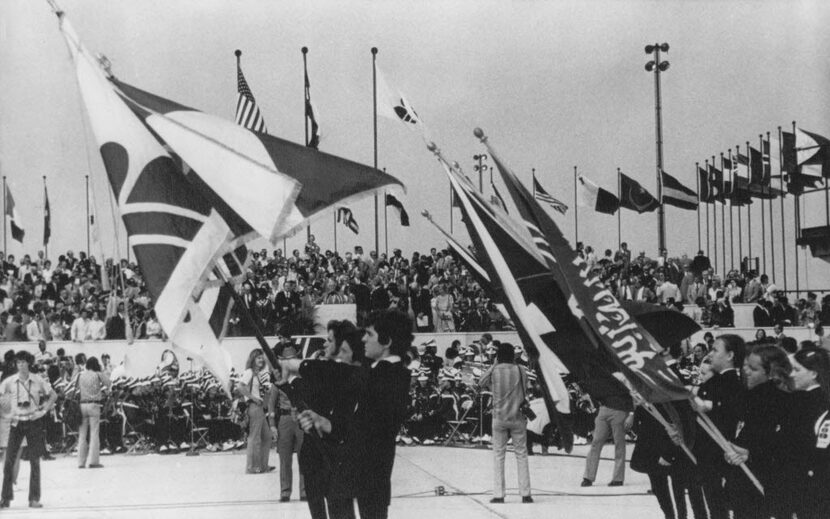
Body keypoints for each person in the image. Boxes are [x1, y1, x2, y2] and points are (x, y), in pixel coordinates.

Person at [299, 309, 411, 519]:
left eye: (369, 334)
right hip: (360, 476)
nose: (364, 339)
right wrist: (323, 422)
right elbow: (357, 424)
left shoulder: (389, 375)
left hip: (367, 477)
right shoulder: (380, 373)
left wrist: (301, 367)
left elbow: (346, 376)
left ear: (386, 341)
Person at [725, 344, 790, 519]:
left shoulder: (769, 399)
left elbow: (775, 440)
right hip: (747, 475)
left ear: (771, 372)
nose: (746, 371)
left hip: (763, 478)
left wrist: (749, 453)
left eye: (753, 368)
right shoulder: (752, 395)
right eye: (745, 366)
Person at [773, 347, 830, 519]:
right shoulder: (799, 400)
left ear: (813, 373)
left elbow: (819, 451)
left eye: (797, 370)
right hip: (797, 483)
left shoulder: (817, 404)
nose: (792, 374)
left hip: (812, 486)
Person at [692, 334, 745, 519]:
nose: (711, 354)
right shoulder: (715, 381)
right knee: (714, 504)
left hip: (721, 451)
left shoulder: (731, 382)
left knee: (719, 505)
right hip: (708, 450)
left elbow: (732, 411)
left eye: (715, 350)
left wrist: (709, 406)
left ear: (730, 355)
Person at [0, 350, 57, 509]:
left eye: (24, 362)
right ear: (15, 364)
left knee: (35, 461)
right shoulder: (9, 381)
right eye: (18, 362)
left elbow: (53, 395)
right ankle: (5, 498)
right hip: (16, 422)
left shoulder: (38, 380)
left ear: (29, 363)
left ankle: (34, 498)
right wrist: (7, 411)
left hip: (33, 422)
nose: (21, 365)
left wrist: (43, 411)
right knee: (9, 461)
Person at [478, 342, 533, 504]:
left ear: (498, 355)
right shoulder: (520, 370)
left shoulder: (494, 370)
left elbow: (481, 383)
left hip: (499, 417)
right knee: (521, 454)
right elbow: (526, 389)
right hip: (517, 417)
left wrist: (494, 364)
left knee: (498, 455)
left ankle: (499, 494)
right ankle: (526, 493)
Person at [581, 373, 634, 488]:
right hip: (604, 409)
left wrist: (631, 414)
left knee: (619, 444)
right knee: (596, 442)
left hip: (620, 410)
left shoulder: (622, 376)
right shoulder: (603, 375)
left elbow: (632, 394)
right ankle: (588, 477)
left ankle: (618, 478)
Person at [270, 345, 305, 502]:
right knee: (285, 459)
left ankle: (305, 491)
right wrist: (272, 424)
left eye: (292, 359)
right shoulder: (278, 380)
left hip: (301, 418)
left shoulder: (304, 377)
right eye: (286, 359)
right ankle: (285, 491)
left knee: (305, 457)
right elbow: (271, 404)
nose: (289, 362)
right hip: (284, 419)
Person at [238, 349, 272, 474]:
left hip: (260, 407)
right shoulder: (249, 372)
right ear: (253, 359)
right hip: (254, 406)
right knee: (254, 437)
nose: (261, 360)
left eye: (262, 358)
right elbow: (240, 386)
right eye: (258, 358)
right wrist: (253, 397)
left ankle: (262, 465)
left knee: (267, 436)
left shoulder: (258, 373)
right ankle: (252, 466)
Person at [76, 356, 111, 469]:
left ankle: (81, 462)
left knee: (82, 435)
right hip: (94, 405)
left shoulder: (80, 375)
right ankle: (94, 461)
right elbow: (109, 383)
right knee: (94, 434)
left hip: (82, 404)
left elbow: (75, 387)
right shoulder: (97, 374)